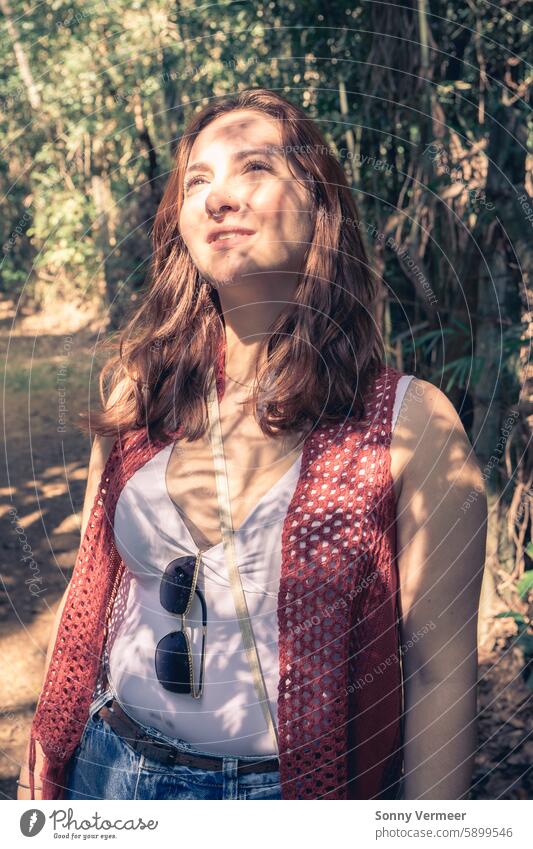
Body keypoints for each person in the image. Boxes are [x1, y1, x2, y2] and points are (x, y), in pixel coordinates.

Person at [18, 88, 487, 801]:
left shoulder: (409, 421)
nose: (218, 197)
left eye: (254, 168)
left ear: (319, 202)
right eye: (197, 180)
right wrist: (44, 760)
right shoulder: (139, 392)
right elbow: (95, 588)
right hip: (109, 770)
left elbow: (439, 675)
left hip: (285, 797)